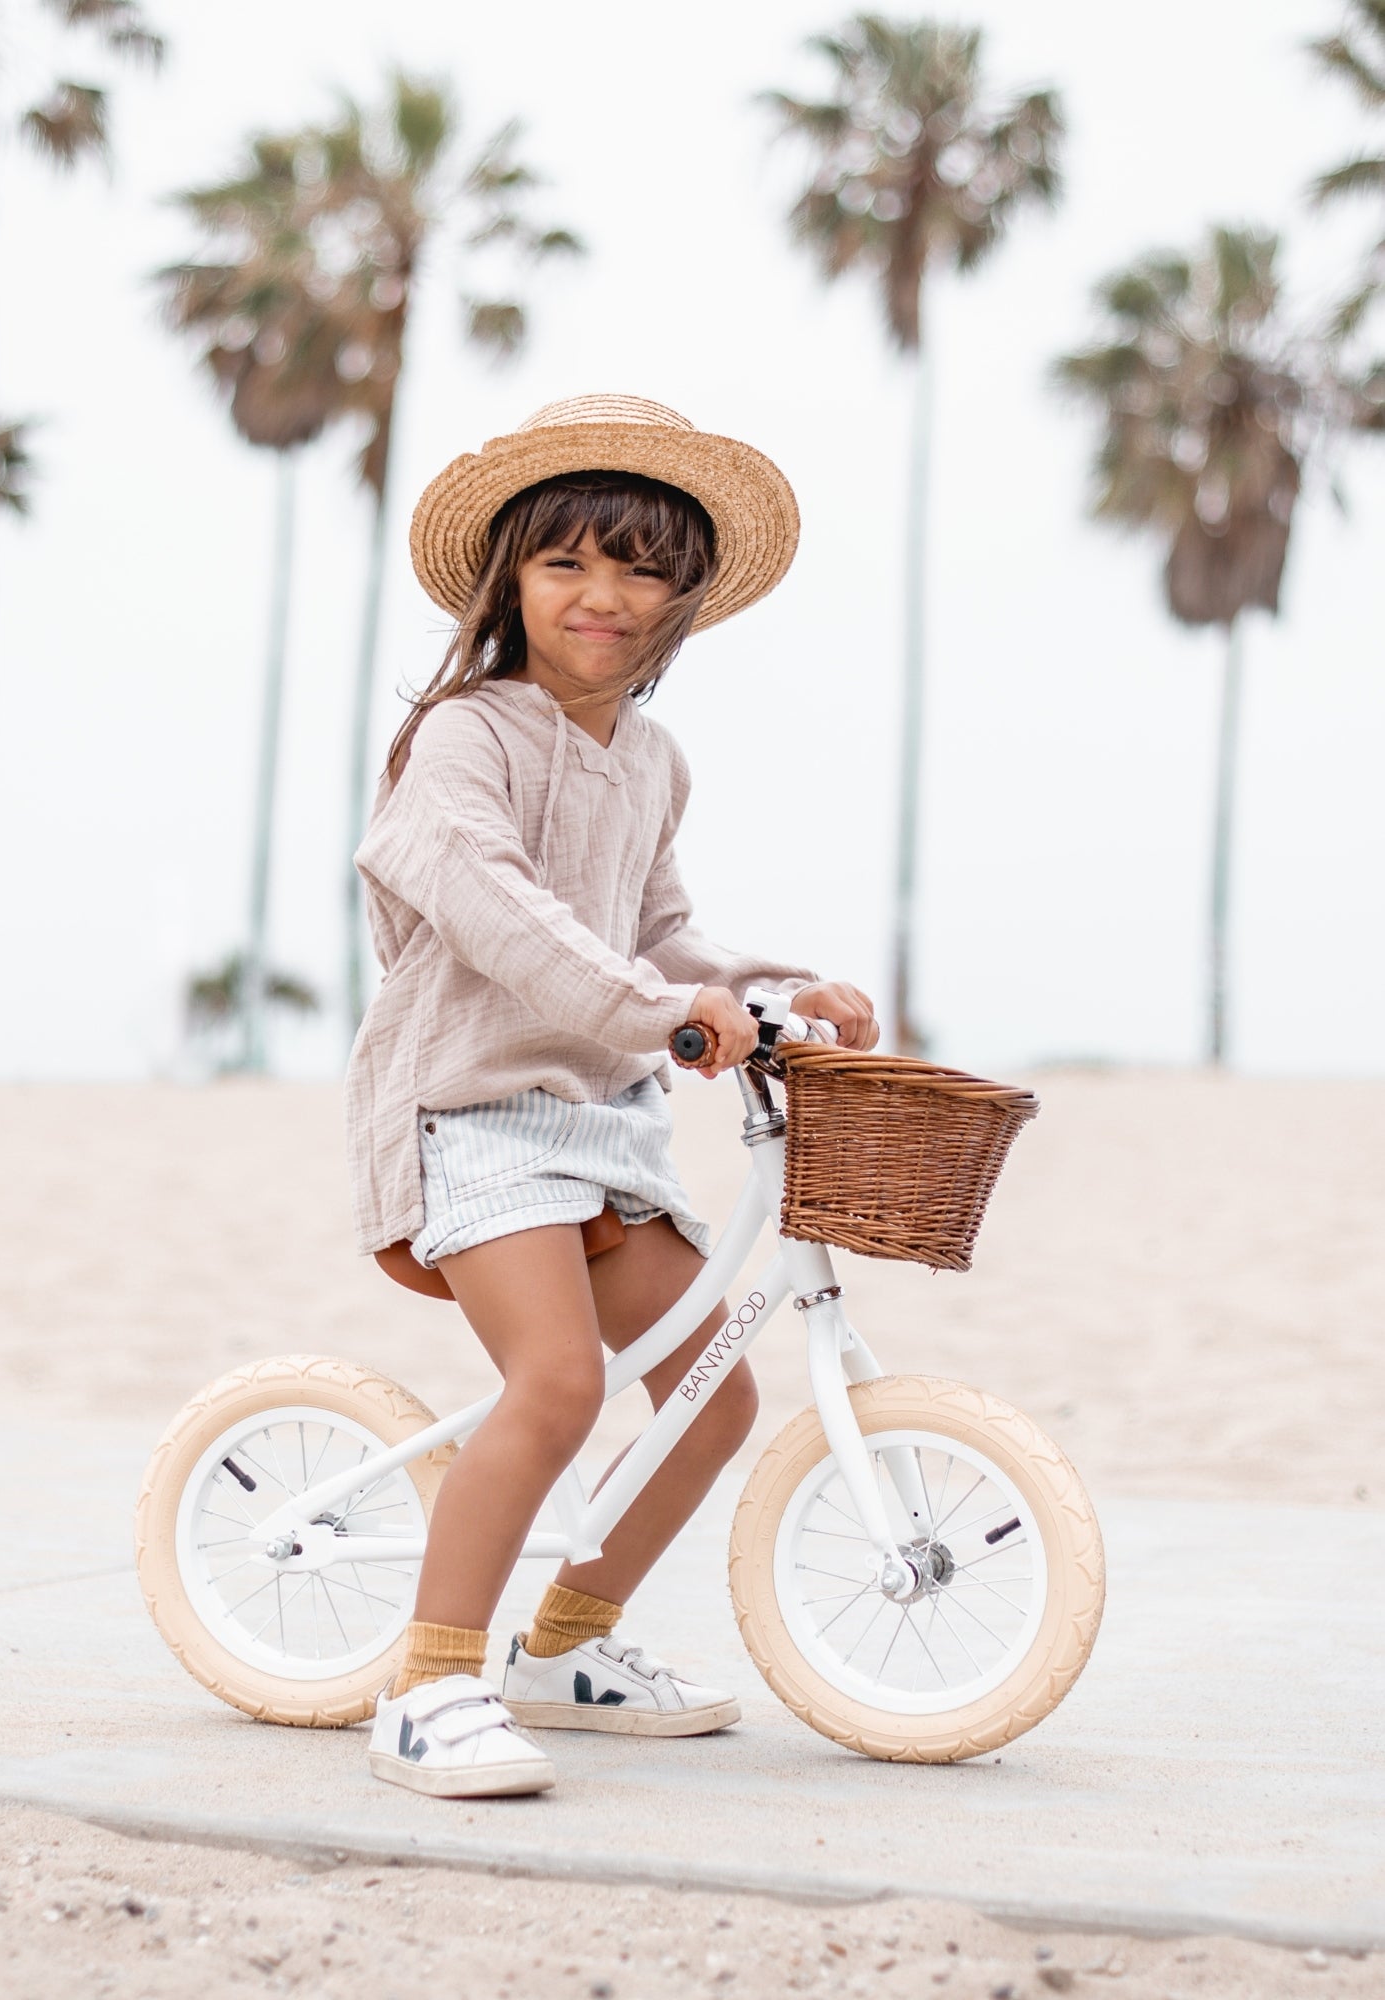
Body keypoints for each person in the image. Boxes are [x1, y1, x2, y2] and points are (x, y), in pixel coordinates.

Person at [346, 393, 879, 1798]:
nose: (604, 595)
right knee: (562, 1382)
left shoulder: (651, 760)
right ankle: (429, 1685)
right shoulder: (464, 742)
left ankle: (560, 1649)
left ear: (682, 599)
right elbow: (506, 917)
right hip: (473, 1113)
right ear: (509, 580)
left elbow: (658, 932)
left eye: (641, 568)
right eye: (567, 562)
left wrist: (772, 985)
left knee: (712, 1395)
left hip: (605, 1127)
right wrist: (659, 1011)